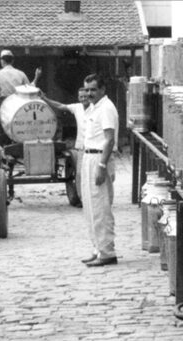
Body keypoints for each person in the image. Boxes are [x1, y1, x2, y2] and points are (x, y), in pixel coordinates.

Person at [79, 74, 119, 267]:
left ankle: (107, 252)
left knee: (100, 207)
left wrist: (102, 166)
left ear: (103, 89)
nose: (89, 93)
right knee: (90, 207)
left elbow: (109, 139)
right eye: (86, 89)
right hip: (88, 156)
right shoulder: (95, 108)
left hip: (98, 158)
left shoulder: (107, 108)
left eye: (93, 89)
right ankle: (97, 248)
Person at [40, 87, 91, 208]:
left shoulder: (96, 109)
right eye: (81, 97)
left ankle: (92, 199)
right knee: (79, 173)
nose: (83, 99)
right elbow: (60, 106)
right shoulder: (77, 107)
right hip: (82, 146)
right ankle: (82, 199)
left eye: (86, 96)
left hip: (94, 146)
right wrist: (44, 98)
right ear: (79, 98)